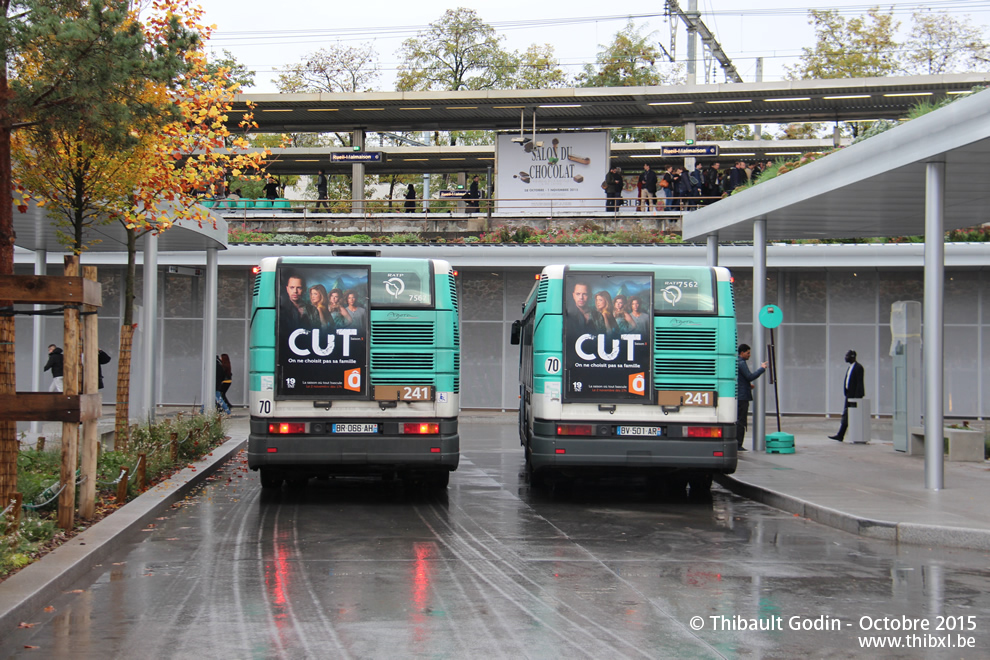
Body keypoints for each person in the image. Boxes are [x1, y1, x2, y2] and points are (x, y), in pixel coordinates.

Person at [737, 343, 768, 451]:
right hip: (742, 397)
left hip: (739, 395)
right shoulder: (741, 363)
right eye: (748, 353)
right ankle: (738, 444)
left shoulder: (736, 362)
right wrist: (762, 369)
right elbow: (750, 376)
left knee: (738, 420)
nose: (749, 355)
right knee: (741, 421)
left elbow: (740, 379)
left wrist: (747, 385)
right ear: (742, 353)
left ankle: (738, 443)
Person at [830, 350, 865, 442]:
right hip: (849, 395)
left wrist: (857, 397)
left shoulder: (858, 367)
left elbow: (859, 383)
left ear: (852, 356)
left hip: (854, 396)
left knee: (851, 415)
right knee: (846, 415)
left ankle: (845, 435)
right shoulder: (850, 367)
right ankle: (840, 435)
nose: (845, 358)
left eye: (847, 356)